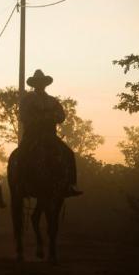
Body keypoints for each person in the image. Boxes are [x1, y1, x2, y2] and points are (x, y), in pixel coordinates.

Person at [18, 69, 82, 197]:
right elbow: (23, 116)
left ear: (45, 84)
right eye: (38, 83)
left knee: (68, 154)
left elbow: (61, 116)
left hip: (50, 136)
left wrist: (51, 117)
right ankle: (20, 183)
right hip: (32, 136)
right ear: (34, 84)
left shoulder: (53, 100)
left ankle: (70, 184)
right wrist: (39, 119)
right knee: (21, 155)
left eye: (42, 82)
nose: (40, 85)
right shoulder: (27, 100)